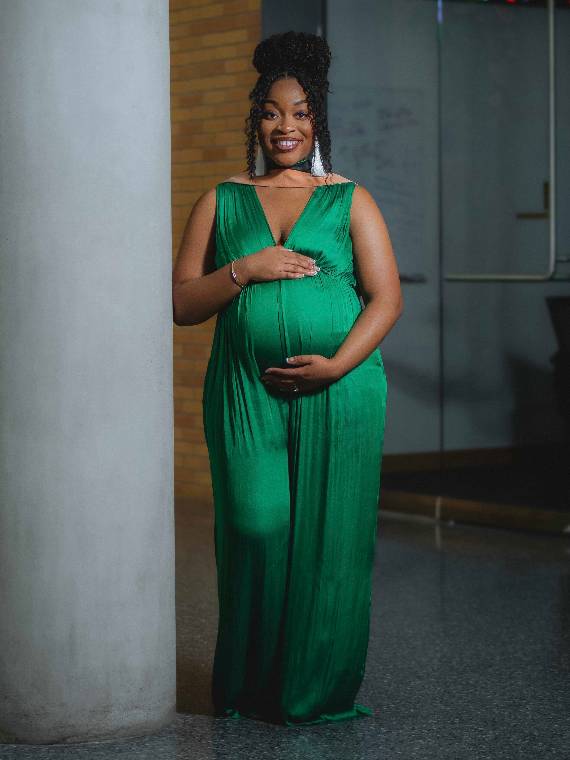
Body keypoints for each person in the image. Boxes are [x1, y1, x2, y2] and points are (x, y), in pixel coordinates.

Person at [172, 30, 403, 726]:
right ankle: (250, 682)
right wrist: (246, 269)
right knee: (258, 524)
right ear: (256, 118)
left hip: (342, 390)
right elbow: (182, 303)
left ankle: (312, 690)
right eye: (273, 112)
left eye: (301, 113)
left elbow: (387, 298)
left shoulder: (349, 198)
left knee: (332, 539)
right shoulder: (223, 199)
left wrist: (335, 363)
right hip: (246, 392)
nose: (286, 126)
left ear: (318, 121)